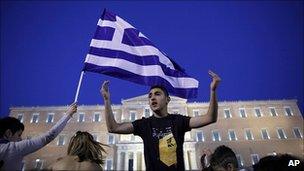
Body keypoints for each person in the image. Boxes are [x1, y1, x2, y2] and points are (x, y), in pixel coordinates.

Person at [100, 70, 221, 170]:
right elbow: (113, 128)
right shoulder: (144, 124)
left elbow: (210, 118)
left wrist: (213, 91)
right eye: (150, 95)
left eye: (157, 94)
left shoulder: (178, 121)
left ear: (168, 99)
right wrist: (106, 100)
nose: (152, 98)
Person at [0, 102, 77, 170]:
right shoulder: (12, 149)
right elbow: (48, 137)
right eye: (18, 135)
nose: (20, 139)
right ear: (8, 133)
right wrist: (68, 114)